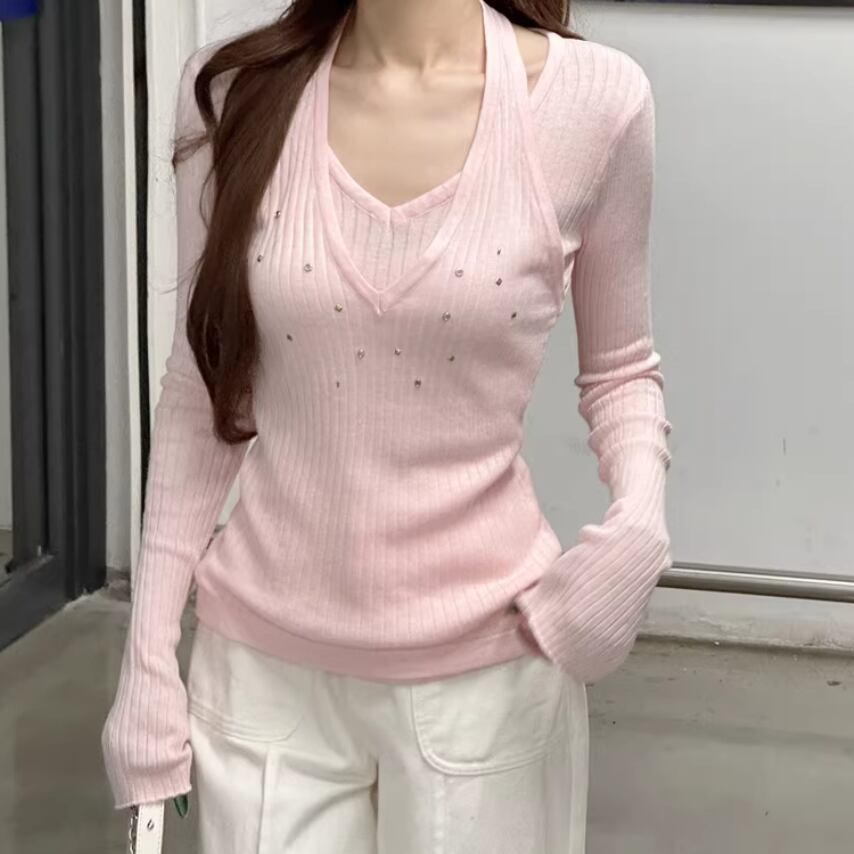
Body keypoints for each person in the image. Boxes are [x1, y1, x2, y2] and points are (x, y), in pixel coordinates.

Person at [102, 0, 674, 851]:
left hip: (487, 685)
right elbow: (202, 386)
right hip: (260, 683)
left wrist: (641, 526)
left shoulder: (596, 103)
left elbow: (621, 369)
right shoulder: (234, 92)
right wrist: (146, 659)